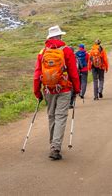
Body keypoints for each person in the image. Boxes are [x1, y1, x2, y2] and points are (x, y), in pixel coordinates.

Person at [33, 25, 80, 160]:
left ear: (49, 38)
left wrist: (37, 92)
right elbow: (73, 73)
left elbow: (37, 74)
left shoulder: (42, 52)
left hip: (48, 89)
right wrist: (76, 89)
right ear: (59, 36)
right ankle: (56, 146)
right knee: (60, 117)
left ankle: (53, 144)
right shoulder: (66, 51)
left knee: (52, 116)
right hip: (64, 89)